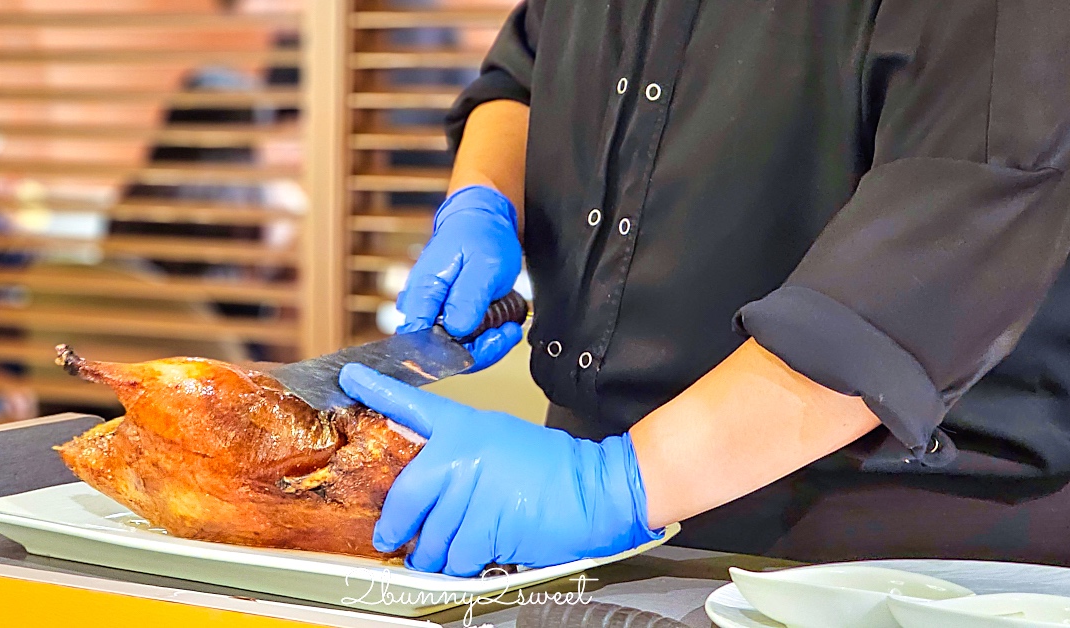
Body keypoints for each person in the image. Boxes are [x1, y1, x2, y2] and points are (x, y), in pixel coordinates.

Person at [336, 1, 1070, 576]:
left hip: (899, 551)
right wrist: (483, 200)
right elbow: (523, 74)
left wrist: (611, 487)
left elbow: (938, 250)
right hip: (595, 533)